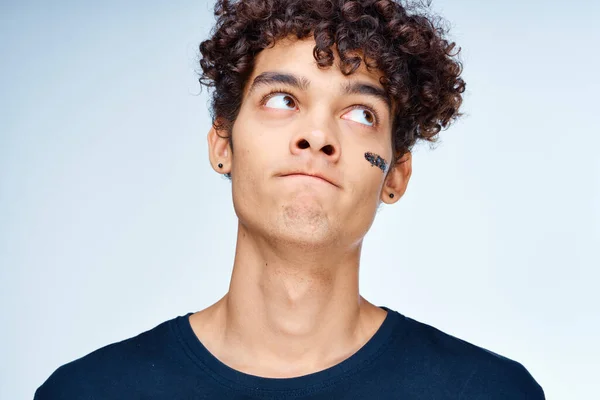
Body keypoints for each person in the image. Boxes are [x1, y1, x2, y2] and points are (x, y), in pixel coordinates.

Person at [34, 0, 545, 398]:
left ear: (396, 174)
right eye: (282, 100)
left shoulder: (489, 393)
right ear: (222, 143)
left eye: (361, 113)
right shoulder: (86, 392)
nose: (317, 135)